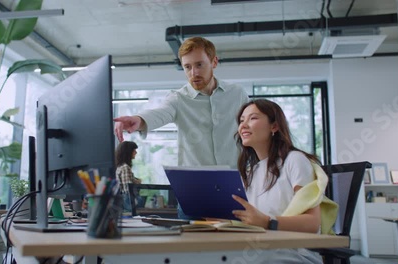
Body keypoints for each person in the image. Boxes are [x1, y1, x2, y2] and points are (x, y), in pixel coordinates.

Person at [113, 37, 249, 219]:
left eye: (199, 65)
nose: (194, 73)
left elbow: (252, 129)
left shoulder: (237, 94)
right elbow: (161, 113)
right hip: (193, 192)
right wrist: (139, 120)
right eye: (187, 67)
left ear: (214, 62)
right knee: (189, 246)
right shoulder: (178, 98)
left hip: (234, 190)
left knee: (234, 245)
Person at [231, 99, 324, 263]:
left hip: (296, 253)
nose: (243, 125)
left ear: (274, 126)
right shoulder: (250, 172)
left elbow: (312, 223)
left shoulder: (294, 160)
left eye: (252, 118)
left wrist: (268, 222)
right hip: (261, 249)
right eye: (241, 120)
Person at [115, 141, 142, 212]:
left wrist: (135, 180)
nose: (136, 152)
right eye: (134, 150)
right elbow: (128, 187)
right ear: (128, 152)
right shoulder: (125, 167)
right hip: (128, 201)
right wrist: (137, 182)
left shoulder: (120, 166)